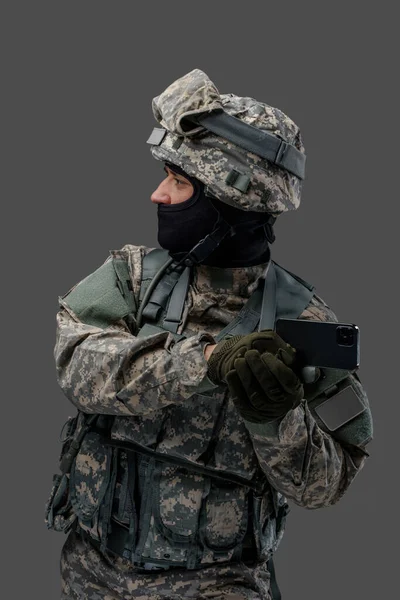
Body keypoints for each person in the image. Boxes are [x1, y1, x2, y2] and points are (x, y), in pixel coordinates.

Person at [45, 69, 373, 600]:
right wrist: (209, 361)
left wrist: (276, 416)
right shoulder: (130, 278)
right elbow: (78, 367)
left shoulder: (304, 325)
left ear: (228, 202)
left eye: (178, 181)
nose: (158, 194)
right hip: (91, 572)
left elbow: (328, 482)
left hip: (217, 585)